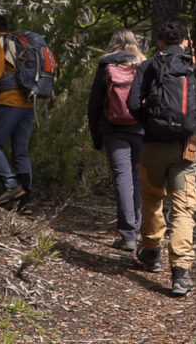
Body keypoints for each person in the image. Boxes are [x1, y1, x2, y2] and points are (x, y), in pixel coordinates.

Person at [127, 18, 196, 297]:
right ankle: (180, 273)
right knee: (183, 209)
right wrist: (195, 130)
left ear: (160, 43)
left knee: (153, 198)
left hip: (153, 146)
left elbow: (132, 104)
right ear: (186, 42)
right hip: (185, 150)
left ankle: (152, 253)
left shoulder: (148, 66)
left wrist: (151, 123)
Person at [86, 29, 147, 252]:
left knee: (122, 178)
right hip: (140, 129)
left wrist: (97, 138)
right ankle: (139, 230)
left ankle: (128, 235)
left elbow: (94, 104)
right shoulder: (143, 65)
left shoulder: (106, 65)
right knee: (137, 177)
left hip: (113, 129)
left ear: (113, 43)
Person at [0, 13, 35, 215]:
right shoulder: (20, 43)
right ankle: (25, 200)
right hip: (29, 102)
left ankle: (11, 186)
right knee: (20, 151)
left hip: (9, 101)